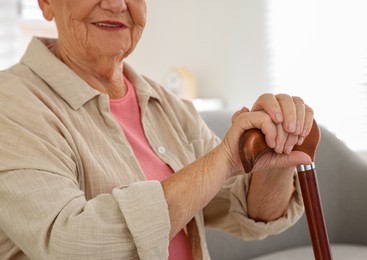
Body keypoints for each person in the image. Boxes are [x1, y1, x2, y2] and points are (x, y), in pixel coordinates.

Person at [0, 0, 314, 259]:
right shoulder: (12, 104)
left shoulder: (166, 105)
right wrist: (226, 157)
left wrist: (274, 162)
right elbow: (71, 245)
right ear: (45, 3)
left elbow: (237, 206)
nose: (115, 4)